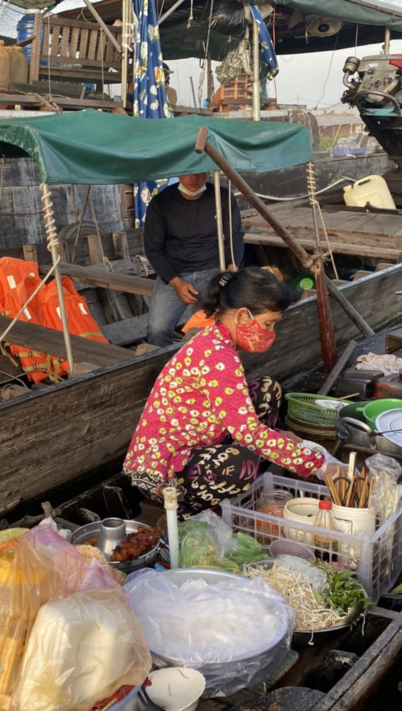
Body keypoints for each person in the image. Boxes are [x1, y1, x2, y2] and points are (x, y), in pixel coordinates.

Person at [123, 267, 342, 518]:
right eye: (268, 324)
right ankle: (191, 507)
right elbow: (248, 431)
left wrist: (286, 438)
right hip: (159, 469)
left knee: (267, 390)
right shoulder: (218, 355)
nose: (270, 333)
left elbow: (238, 417)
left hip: (200, 439)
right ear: (241, 316)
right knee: (240, 464)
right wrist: (318, 464)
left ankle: (246, 478)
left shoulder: (218, 339)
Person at [143, 173, 245, 347]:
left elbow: (235, 235)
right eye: (188, 172)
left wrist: (232, 266)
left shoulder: (222, 197)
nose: (194, 178)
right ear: (178, 173)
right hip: (175, 274)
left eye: (199, 172)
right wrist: (175, 282)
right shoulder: (161, 202)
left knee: (229, 323)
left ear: (207, 172)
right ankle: (165, 370)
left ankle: (219, 364)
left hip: (214, 270)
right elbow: (153, 249)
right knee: (157, 330)